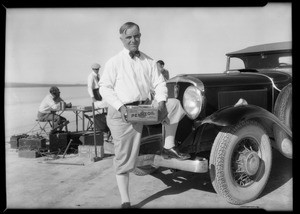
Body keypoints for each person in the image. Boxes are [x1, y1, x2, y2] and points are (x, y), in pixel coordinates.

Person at [99, 22, 190, 208]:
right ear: (122, 39)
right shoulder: (114, 62)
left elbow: (159, 83)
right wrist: (121, 107)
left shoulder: (148, 61)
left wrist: (162, 101)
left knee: (175, 105)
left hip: (144, 110)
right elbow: (104, 88)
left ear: (140, 36)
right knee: (124, 160)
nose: (133, 40)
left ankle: (168, 145)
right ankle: (125, 200)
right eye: (129, 37)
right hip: (122, 113)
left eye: (136, 36)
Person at [87, 63, 111, 141]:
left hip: (100, 92)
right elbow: (90, 87)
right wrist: (93, 98)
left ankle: (107, 130)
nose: (97, 70)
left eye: (98, 69)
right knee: (98, 110)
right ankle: (104, 131)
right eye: (95, 69)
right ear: (93, 69)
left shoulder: (98, 76)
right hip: (96, 93)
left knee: (106, 108)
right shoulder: (91, 76)